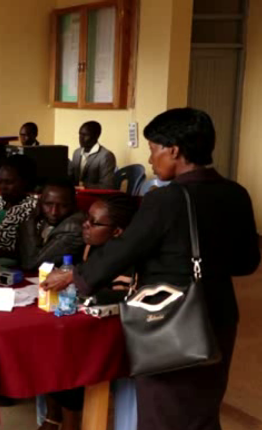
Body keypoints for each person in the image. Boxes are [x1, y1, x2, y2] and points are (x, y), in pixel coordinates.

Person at [42, 108, 260, 430]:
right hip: (219, 312)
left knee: (165, 411)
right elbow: (247, 262)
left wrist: (76, 274)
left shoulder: (166, 199)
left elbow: (125, 246)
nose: (150, 159)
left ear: (174, 150)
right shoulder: (236, 193)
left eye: (153, 149)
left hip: (171, 319)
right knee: (202, 410)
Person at [38, 193, 138, 430]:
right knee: (50, 342)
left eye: (94, 223)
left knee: (69, 353)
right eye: (86, 218)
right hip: (87, 321)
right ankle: (53, 417)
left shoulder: (124, 260)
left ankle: (70, 422)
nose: (85, 225)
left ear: (117, 232)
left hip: (113, 330)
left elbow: (118, 297)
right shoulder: (90, 248)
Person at [16, 178, 85, 271]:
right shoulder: (49, 219)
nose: (54, 212)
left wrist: (30, 220)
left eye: (63, 206)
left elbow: (31, 264)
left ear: (73, 205)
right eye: (48, 204)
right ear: (40, 202)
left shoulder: (72, 228)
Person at [0, 155, 39, 252]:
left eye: (9, 182)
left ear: (25, 182)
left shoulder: (32, 208)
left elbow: (15, 250)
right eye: (0, 181)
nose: (2, 187)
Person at [68, 121, 116, 189]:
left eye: (85, 135)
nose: (81, 138)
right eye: (80, 134)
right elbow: (71, 177)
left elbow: (107, 186)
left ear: (96, 136)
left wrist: (83, 186)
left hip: (95, 196)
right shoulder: (77, 153)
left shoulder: (106, 156)